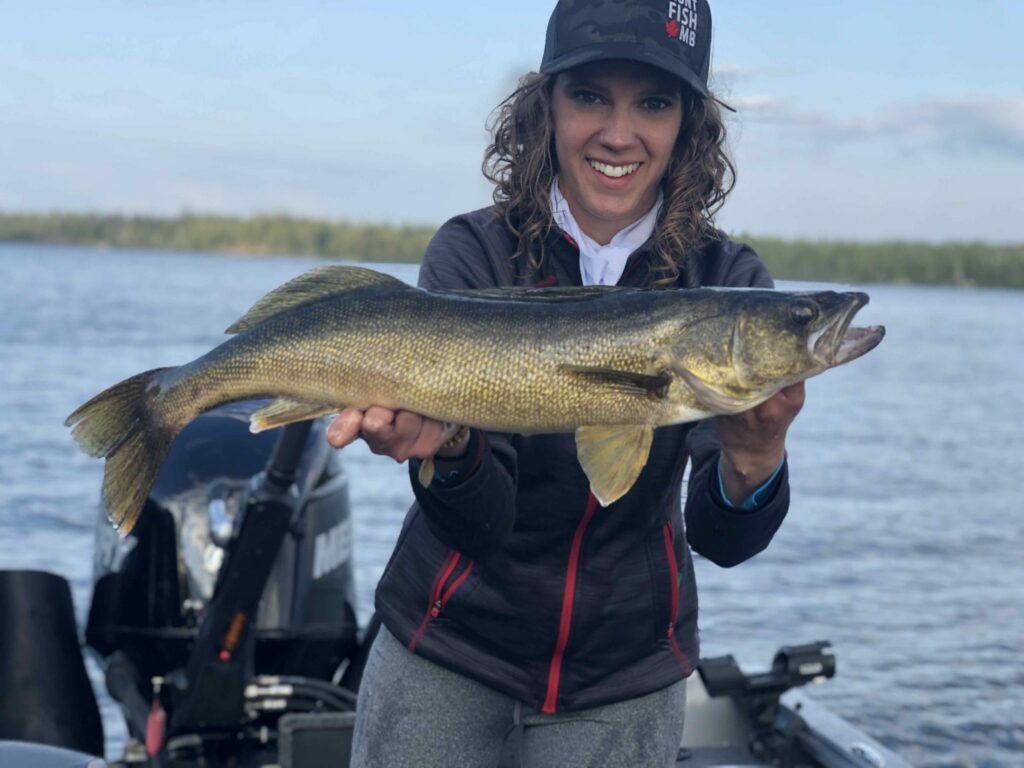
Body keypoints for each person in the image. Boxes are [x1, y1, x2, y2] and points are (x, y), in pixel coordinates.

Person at [327, 1, 804, 766]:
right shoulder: (471, 254)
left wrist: (755, 462)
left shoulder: (727, 282)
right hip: (448, 647)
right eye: (590, 96)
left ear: (690, 122)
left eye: (653, 102)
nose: (619, 134)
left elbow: (723, 541)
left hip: (626, 676)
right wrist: (448, 447)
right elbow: (479, 523)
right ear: (543, 105)